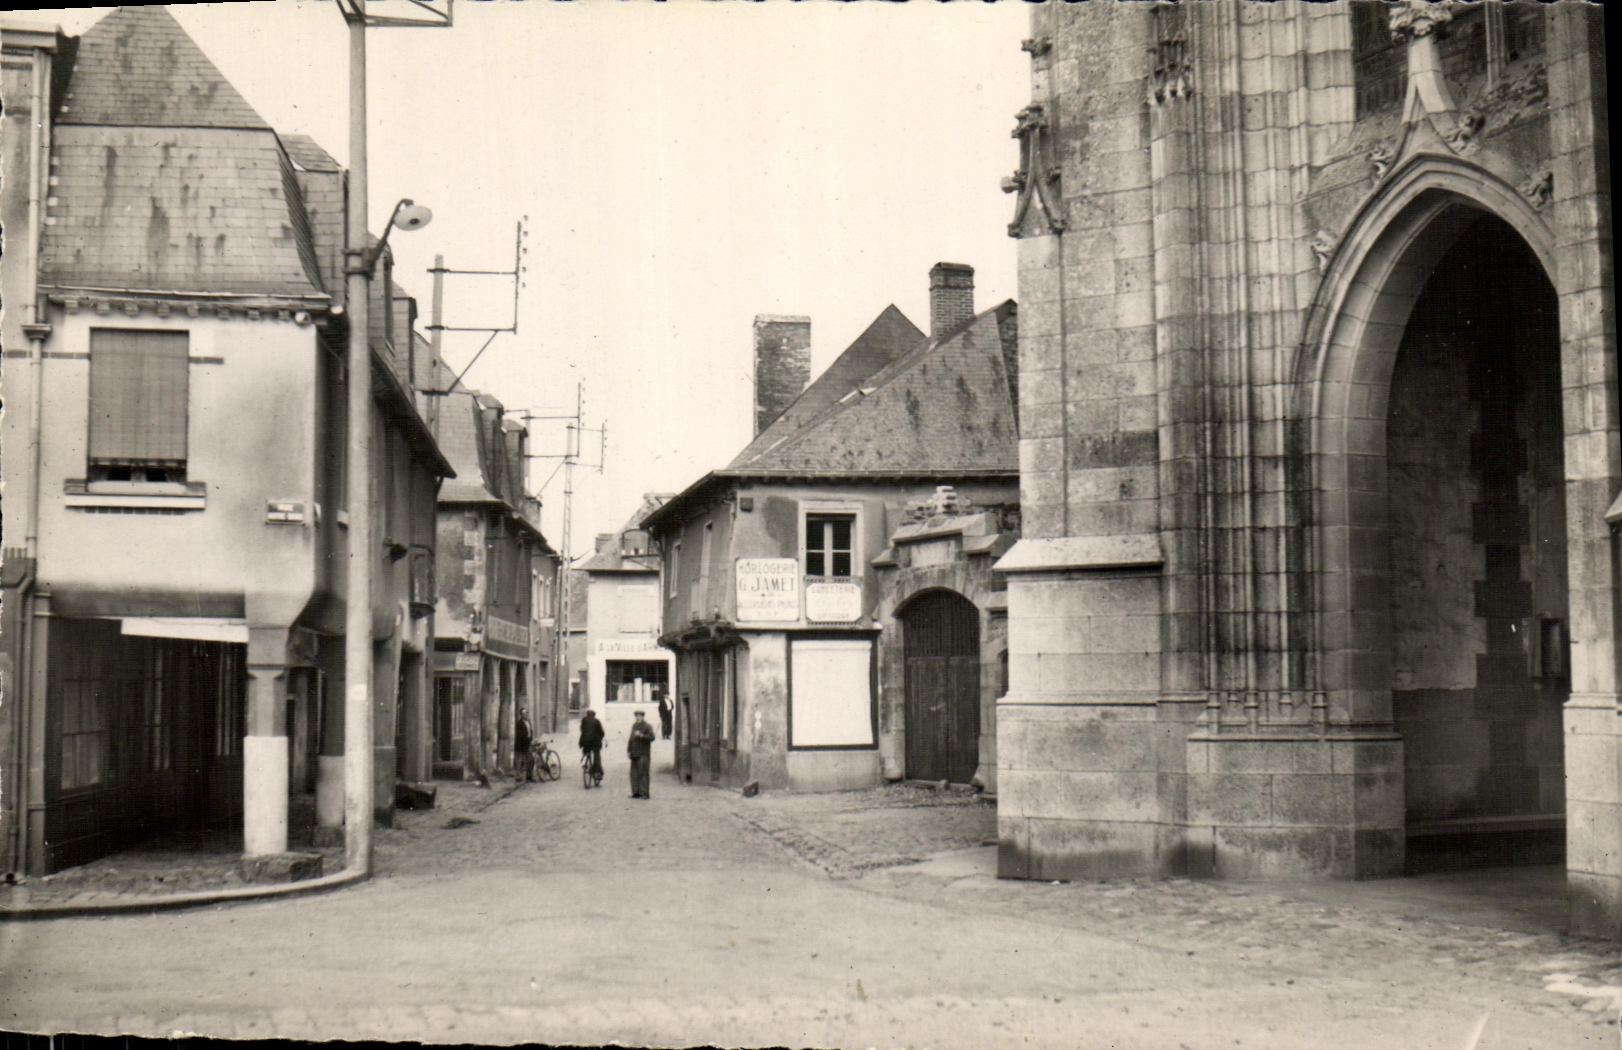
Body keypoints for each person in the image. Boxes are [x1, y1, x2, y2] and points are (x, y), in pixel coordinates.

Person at [627, 709, 656, 799]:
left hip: (643, 753)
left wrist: (642, 736)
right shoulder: (634, 726)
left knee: (643, 773)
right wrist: (628, 750)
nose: (638, 717)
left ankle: (645, 793)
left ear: (643, 717)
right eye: (636, 716)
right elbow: (631, 739)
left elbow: (652, 737)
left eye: (639, 716)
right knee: (634, 774)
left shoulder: (647, 726)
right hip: (634, 753)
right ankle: (635, 792)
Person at [578, 707, 605, 785]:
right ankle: (597, 773)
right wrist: (601, 737)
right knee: (597, 757)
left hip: (585, 742)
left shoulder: (584, 720)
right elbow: (601, 732)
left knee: (585, 751)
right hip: (595, 743)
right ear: (594, 715)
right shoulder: (597, 721)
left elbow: (582, 730)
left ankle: (584, 762)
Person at [514, 710, 534, 782]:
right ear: (521, 715)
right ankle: (518, 777)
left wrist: (531, 739)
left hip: (527, 743)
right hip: (521, 744)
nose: (526, 715)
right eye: (524, 713)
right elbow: (521, 735)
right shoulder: (519, 723)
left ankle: (529, 775)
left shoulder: (528, 722)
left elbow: (530, 732)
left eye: (526, 713)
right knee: (519, 761)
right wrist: (527, 740)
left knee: (530, 759)